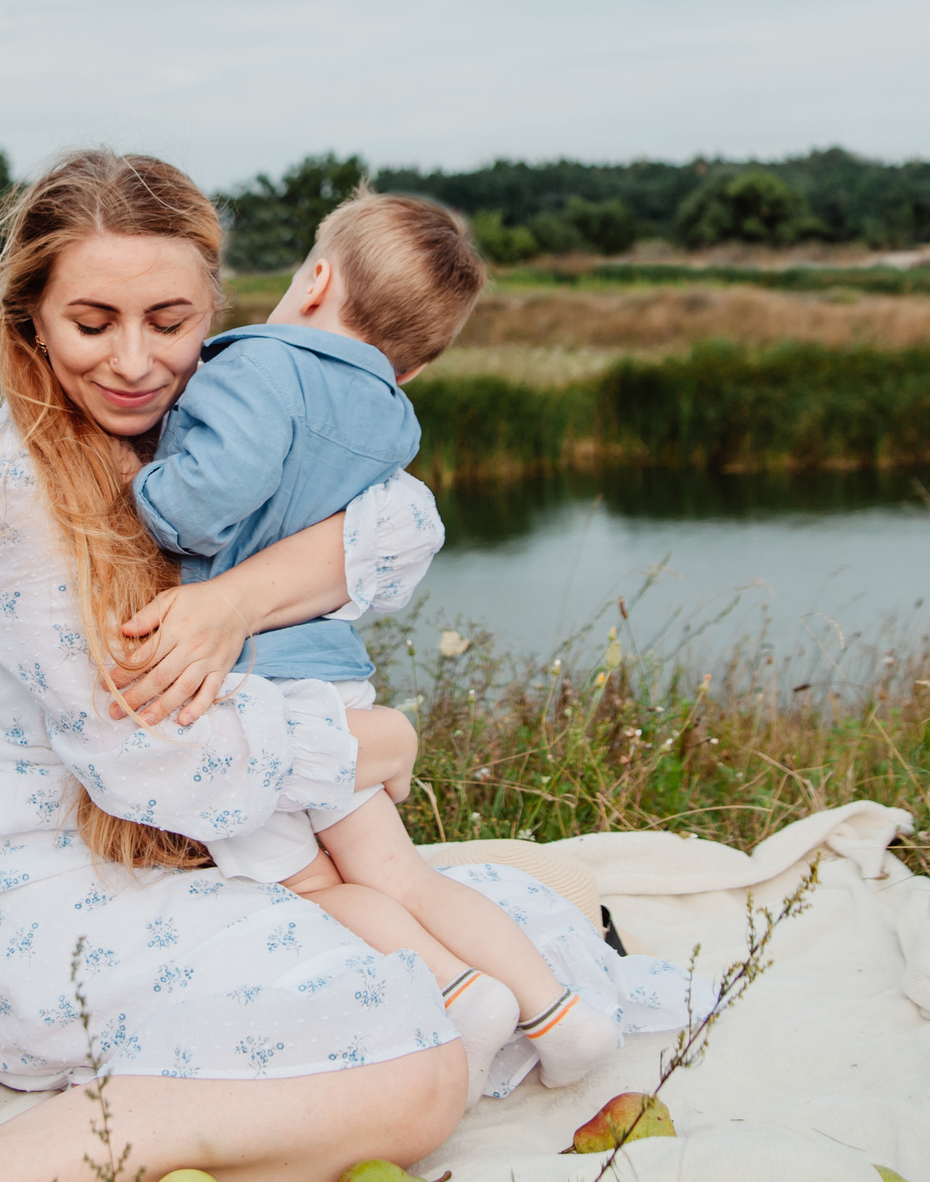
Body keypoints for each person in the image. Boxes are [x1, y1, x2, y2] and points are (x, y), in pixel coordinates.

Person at [0, 151, 639, 1182]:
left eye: (169, 322)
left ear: (217, 305)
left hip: (204, 847)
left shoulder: (222, 404)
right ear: (29, 318)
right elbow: (148, 764)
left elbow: (403, 521)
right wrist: (370, 738)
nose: (133, 362)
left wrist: (237, 599)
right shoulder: (22, 490)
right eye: (92, 324)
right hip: (45, 874)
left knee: (545, 907)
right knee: (422, 1075)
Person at [125, 189, 616, 1096]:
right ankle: (559, 1012)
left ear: (315, 278)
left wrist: (144, 499)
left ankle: (460, 995)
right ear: (416, 364)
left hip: (249, 687)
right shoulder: (391, 416)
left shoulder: (255, 366)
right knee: (400, 869)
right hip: (335, 684)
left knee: (310, 887)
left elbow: (206, 498)